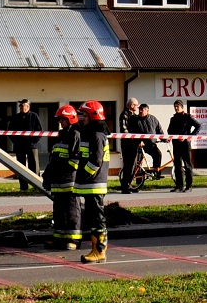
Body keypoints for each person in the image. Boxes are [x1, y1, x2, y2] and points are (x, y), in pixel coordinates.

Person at [74, 100, 111, 263]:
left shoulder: (97, 135)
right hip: (91, 183)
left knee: (97, 219)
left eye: (84, 115)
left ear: (92, 116)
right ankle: (95, 249)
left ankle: (99, 250)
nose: (83, 118)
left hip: (94, 183)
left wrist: (83, 176)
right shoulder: (91, 132)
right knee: (94, 218)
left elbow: (95, 162)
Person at [44, 105, 82, 250]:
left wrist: (64, 172)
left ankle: (74, 240)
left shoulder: (75, 135)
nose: (60, 121)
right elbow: (54, 156)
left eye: (63, 119)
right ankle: (59, 238)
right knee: (58, 211)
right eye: (60, 119)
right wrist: (48, 175)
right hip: (58, 179)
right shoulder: (61, 135)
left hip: (69, 179)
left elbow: (75, 159)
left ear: (70, 119)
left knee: (72, 210)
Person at [7, 99, 43, 191]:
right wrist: (16, 142)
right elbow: (10, 131)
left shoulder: (34, 116)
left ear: (28, 107)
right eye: (21, 106)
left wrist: (34, 141)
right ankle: (23, 187)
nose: (22, 107)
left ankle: (36, 186)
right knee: (21, 167)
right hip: (20, 146)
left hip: (32, 146)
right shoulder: (16, 117)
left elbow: (39, 131)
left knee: (34, 166)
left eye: (24, 106)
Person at [167, 101, 200, 192]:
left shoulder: (187, 117)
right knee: (177, 165)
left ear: (182, 107)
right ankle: (179, 185)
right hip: (176, 144)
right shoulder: (173, 119)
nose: (176, 108)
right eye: (175, 106)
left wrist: (190, 136)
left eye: (177, 106)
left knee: (187, 165)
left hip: (185, 144)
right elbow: (169, 130)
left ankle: (189, 186)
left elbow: (198, 125)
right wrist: (174, 136)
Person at [117, 102, 148, 193]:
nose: (138, 107)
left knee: (134, 165)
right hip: (127, 144)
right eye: (136, 105)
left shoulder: (133, 115)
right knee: (128, 165)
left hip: (134, 143)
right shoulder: (125, 114)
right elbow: (124, 129)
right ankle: (125, 186)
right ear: (131, 105)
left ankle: (129, 184)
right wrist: (132, 138)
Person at [137, 104, 164, 177]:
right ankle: (138, 180)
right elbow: (133, 132)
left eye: (142, 109)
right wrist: (139, 141)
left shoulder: (153, 119)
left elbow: (159, 131)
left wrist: (164, 139)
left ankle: (156, 174)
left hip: (151, 144)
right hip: (140, 145)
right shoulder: (136, 120)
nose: (140, 111)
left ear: (147, 111)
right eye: (140, 109)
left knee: (158, 155)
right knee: (138, 162)